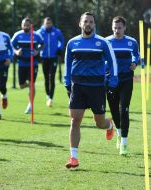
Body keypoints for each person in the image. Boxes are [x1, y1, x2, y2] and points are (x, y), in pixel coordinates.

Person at [64, 12, 118, 168]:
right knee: (75, 120)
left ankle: (109, 126)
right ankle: (73, 158)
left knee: (99, 123)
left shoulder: (102, 43)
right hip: (78, 87)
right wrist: (67, 82)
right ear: (80, 24)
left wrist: (112, 82)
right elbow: (67, 64)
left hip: (96, 88)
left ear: (94, 25)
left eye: (91, 22)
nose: (88, 24)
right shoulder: (72, 43)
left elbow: (112, 62)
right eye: (85, 21)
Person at [105, 16, 139, 155]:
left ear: (125, 28)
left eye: (119, 27)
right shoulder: (106, 42)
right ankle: (118, 132)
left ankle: (124, 142)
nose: (117, 30)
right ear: (112, 27)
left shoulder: (131, 42)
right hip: (111, 80)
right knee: (114, 111)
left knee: (124, 109)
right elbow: (102, 58)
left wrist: (134, 62)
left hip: (126, 79)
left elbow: (136, 55)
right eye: (115, 27)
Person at [11, 18, 44, 113]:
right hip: (21, 63)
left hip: (33, 63)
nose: (26, 26)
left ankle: (30, 105)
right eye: (24, 25)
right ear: (21, 25)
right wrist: (16, 51)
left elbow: (42, 44)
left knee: (31, 83)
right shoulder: (17, 35)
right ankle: (29, 86)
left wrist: (37, 51)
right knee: (21, 85)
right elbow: (11, 45)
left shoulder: (36, 35)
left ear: (31, 25)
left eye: (27, 25)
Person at [37, 17, 65, 107]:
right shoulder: (39, 32)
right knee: (46, 78)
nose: (48, 25)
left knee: (51, 77)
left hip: (53, 57)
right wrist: (37, 49)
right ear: (43, 23)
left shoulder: (57, 31)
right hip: (44, 57)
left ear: (51, 23)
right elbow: (35, 42)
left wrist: (60, 48)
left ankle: (50, 98)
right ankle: (47, 95)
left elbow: (62, 40)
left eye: (49, 23)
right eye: (46, 23)